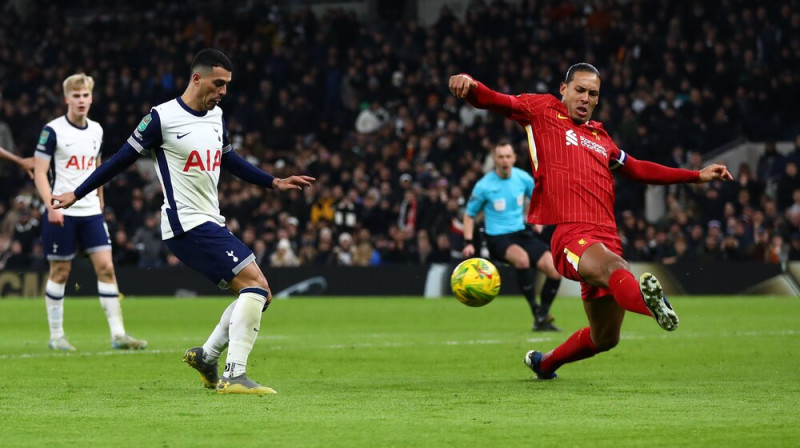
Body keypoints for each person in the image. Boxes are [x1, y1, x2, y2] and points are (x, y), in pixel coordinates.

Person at [52, 49, 314, 394]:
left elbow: (229, 159)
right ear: (197, 78)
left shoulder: (217, 116)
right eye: (218, 83)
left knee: (259, 294)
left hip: (209, 221)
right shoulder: (162, 117)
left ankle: (206, 357)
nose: (223, 91)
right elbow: (120, 159)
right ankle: (235, 375)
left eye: (227, 85)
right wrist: (78, 192)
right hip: (186, 224)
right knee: (256, 286)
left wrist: (273, 182)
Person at [449, 63, 733, 379]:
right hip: (571, 233)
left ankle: (545, 364)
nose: (585, 98)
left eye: (593, 93)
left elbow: (638, 169)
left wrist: (696, 175)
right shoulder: (542, 110)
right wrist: (471, 85)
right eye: (580, 90)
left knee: (605, 338)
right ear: (564, 89)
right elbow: (496, 101)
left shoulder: (601, 137)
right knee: (617, 270)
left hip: (607, 237)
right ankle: (652, 304)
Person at [33, 73, 147, 352]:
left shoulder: (96, 130)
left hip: (90, 211)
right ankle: (56, 336)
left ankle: (118, 334)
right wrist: (51, 206)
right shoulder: (52, 130)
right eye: (76, 96)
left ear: (91, 98)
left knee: (107, 268)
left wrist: (100, 200)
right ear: (66, 99)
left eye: (85, 95)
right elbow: (39, 172)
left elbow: (97, 169)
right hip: (61, 210)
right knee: (60, 271)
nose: (81, 100)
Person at [462, 140, 562, 331]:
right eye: (500, 157)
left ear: (514, 158)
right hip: (498, 238)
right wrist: (468, 242)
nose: (504, 160)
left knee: (555, 270)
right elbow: (469, 214)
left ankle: (543, 315)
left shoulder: (522, 178)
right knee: (522, 260)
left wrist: (539, 220)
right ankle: (535, 311)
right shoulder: (484, 186)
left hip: (521, 233)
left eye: (508, 156)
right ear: (494, 159)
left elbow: (539, 199)